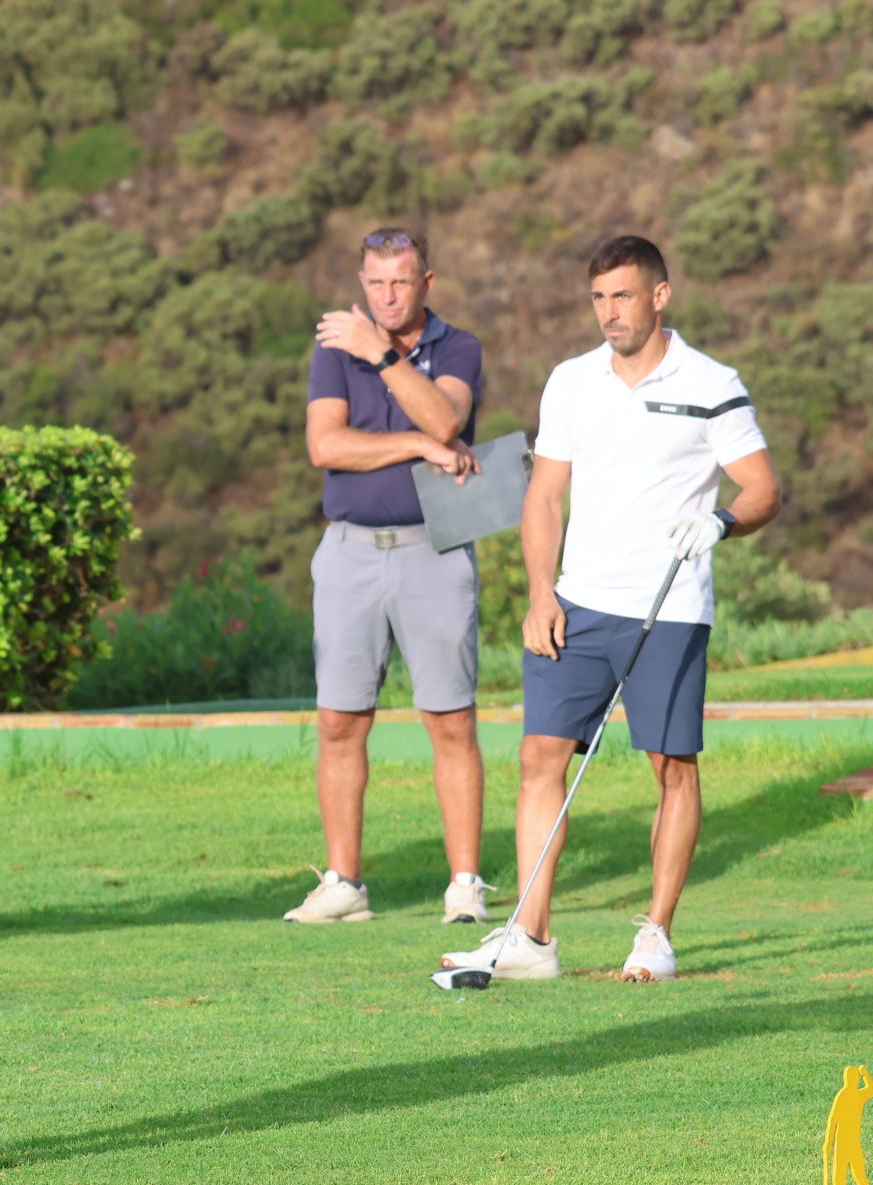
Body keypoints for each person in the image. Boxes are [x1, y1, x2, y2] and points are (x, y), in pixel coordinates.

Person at [441, 234, 782, 982]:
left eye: (622, 296)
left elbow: (762, 486)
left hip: (668, 606)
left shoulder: (711, 380)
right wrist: (540, 593)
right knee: (540, 756)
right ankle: (531, 941)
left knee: (671, 765)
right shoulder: (570, 381)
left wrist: (721, 521)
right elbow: (545, 494)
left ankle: (656, 935)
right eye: (598, 298)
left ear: (660, 295)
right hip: (580, 603)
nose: (608, 313)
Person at [287, 226, 492, 926]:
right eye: (374, 284)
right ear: (361, 280)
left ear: (426, 282)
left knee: (451, 719)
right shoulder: (331, 350)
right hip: (347, 551)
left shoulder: (457, 347)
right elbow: (326, 445)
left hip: (433, 550)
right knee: (340, 720)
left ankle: (464, 883)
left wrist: (381, 356)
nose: (386, 296)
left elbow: (446, 417)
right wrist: (412, 445)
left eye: (400, 282)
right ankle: (344, 883)